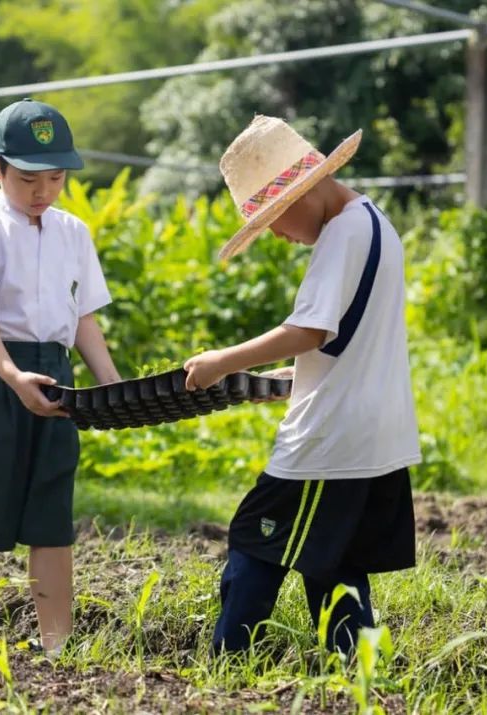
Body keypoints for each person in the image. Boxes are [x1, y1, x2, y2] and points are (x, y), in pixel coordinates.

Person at [183, 115, 420, 657]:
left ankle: (228, 661)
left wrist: (223, 360)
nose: (277, 234)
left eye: (272, 220)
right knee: (331, 557)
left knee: (254, 540)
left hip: (327, 439)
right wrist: (296, 377)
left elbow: (310, 329)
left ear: (301, 194)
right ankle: (358, 666)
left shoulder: (343, 232)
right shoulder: (375, 222)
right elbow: (349, 339)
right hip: (369, 428)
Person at [0, 98, 121, 659]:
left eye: (56, 178)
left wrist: (108, 383)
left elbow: (84, 316)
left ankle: (57, 646)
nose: (43, 191)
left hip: (56, 375)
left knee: (51, 510)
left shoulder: (73, 233)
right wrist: (13, 374)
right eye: (29, 179)